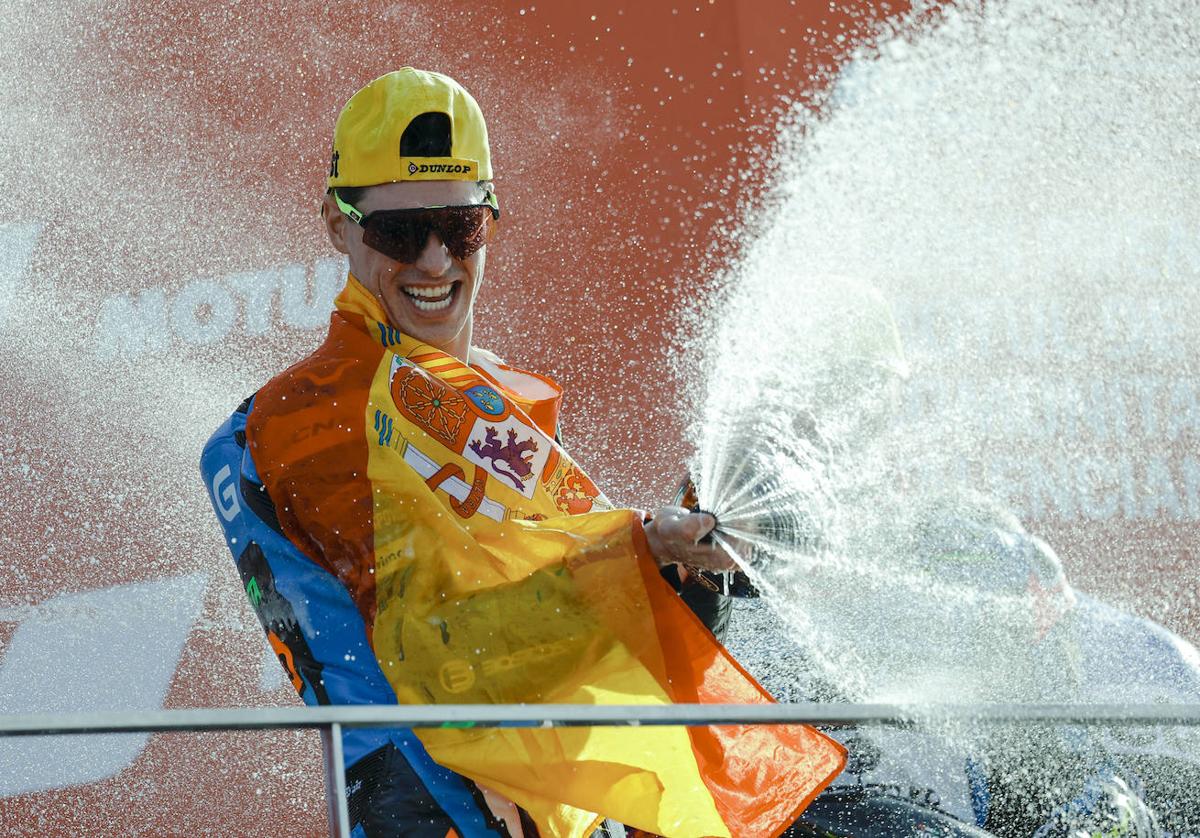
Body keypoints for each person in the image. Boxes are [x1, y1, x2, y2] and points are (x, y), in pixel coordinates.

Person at [200, 68, 844, 838]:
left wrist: (689, 568)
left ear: (491, 224)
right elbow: (435, 640)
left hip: (555, 807)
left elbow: (589, 638)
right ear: (337, 227)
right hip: (427, 803)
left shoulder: (502, 399)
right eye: (399, 232)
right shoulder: (309, 410)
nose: (435, 261)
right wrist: (638, 547)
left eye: (459, 227)